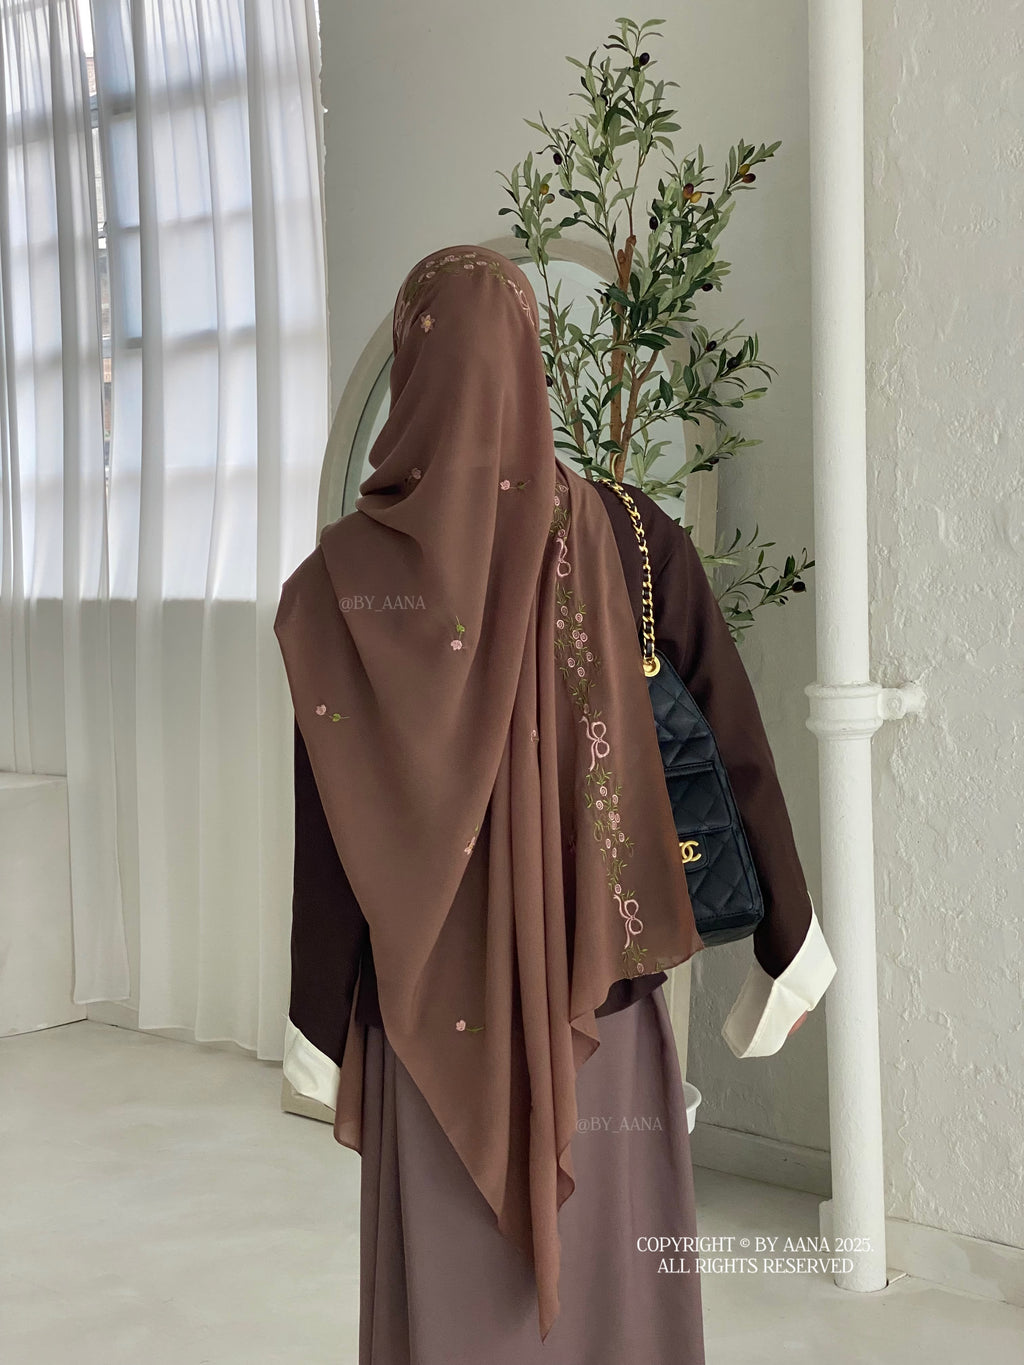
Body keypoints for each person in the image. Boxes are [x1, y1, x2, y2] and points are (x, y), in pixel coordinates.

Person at [273, 244, 836, 1365]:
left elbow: (331, 826)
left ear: (412, 373)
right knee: (609, 1283)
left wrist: (315, 1016)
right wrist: (790, 932)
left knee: (455, 1290)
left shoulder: (341, 584)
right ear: (527, 362)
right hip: (600, 994)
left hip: (428, 1015)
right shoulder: (631, 536)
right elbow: (735, 744)